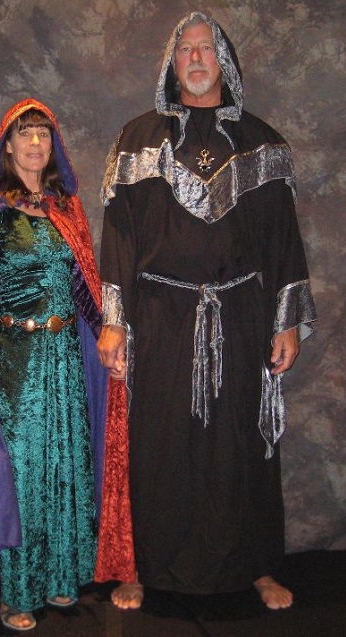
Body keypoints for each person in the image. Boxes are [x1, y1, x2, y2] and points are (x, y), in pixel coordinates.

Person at [97, 12, 316, 611]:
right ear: (171, 64)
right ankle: (143, 566)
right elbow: (118, 237)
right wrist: (114, 320)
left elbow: (283, 238)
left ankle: (254, 565)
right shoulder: (138, 141)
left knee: (240, 444)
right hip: (160, 317)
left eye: (206, 49)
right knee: (159, 441)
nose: (196, 59)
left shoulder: (263, 144)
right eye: (185, 50)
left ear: (225, 62)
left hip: (241, 315)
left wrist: (286, 320)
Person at [0, 98, 135, 631]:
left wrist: (108, 337)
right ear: (8, 146)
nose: (36, 143)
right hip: (13, 362)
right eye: (25, 134)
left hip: (65, 362)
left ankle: (59, 577)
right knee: (17, 475)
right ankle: (13, 592)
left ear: (53, 145)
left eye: (43, 133)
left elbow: (83, 290)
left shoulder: (67, 211)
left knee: (64, 467)